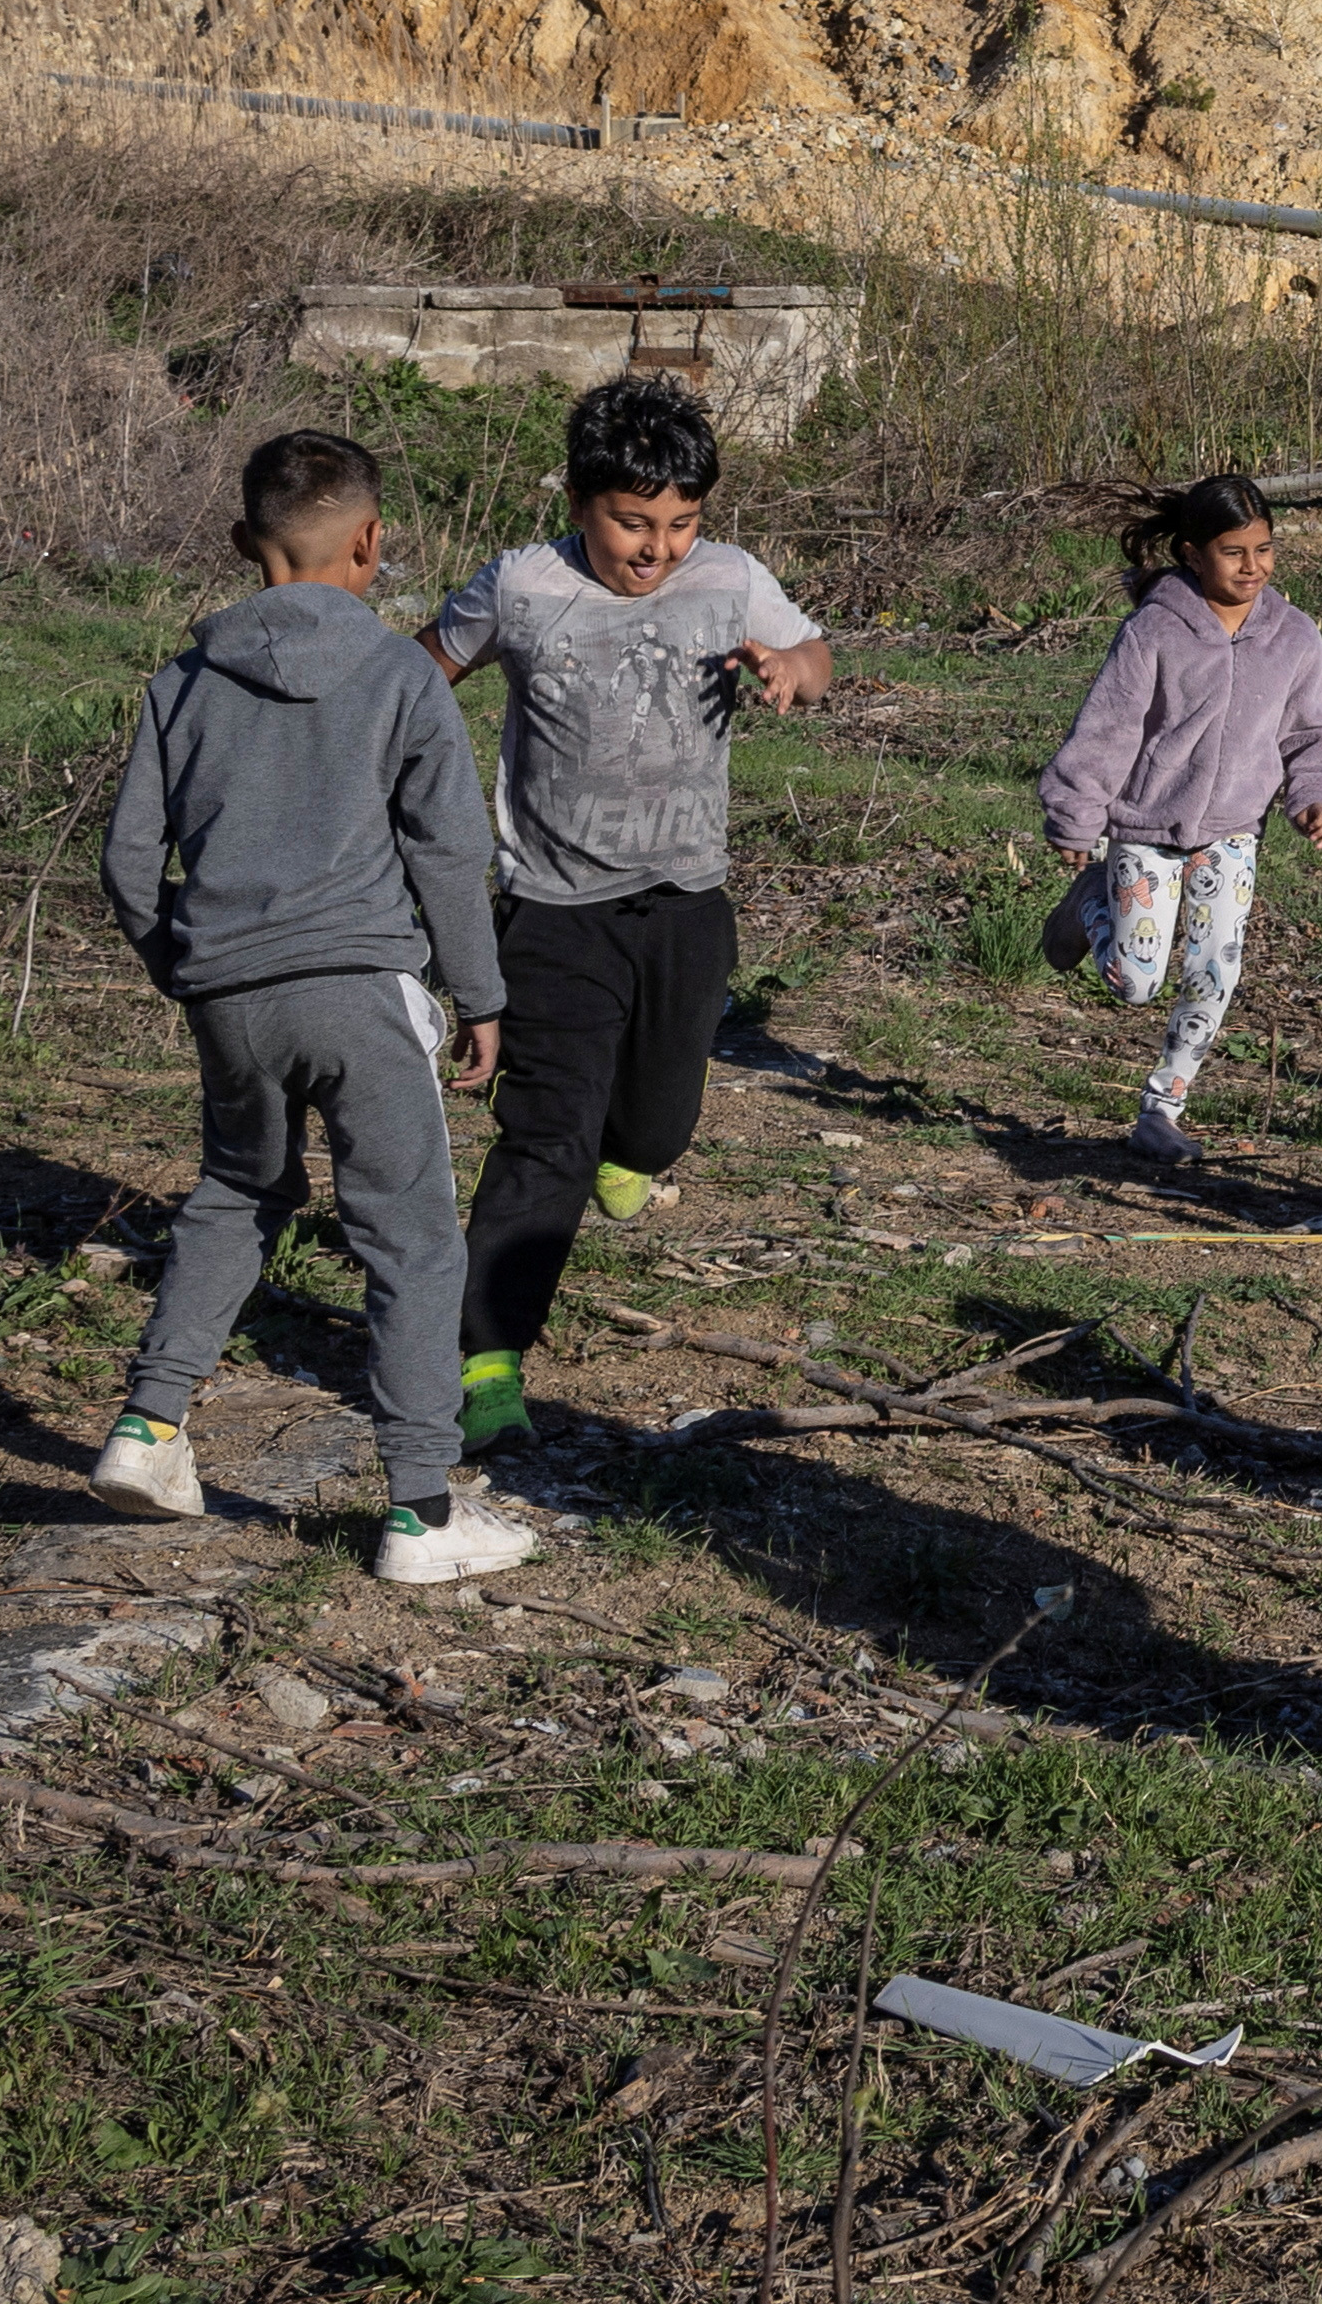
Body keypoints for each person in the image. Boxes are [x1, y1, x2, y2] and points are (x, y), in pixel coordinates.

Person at [89, 429, 537, 1586]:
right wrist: (479, 994)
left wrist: (182, 964)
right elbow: (447, 853)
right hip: (365, 995)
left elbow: (129, 859)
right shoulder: (400, 678)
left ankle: (148, 1428)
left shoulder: (178, 682)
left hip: (229, 995)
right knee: (410, 1239)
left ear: (247, 545)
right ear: (373, 542)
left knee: (237, 1189)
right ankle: (423, 1510)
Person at [420, 373, 829, 1456]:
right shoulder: (521, 585)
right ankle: (487, 1360)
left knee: (655, 1127)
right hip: (554, 910)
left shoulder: (730, 580)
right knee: (545, 1138)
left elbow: (818, 656)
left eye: (680, 524)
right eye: (631, 522)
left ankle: (634, 1149)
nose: (655, 549)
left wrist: (793, 667)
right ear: (580, 499)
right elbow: (418, 674)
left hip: (688, 904)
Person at [1039, 474, 1322, 1164]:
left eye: (1265, 549)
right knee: (1136, 979)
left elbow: (1319, 733)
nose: (1254, 566)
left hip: (1234, 830)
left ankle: (1163, 1106)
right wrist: (1075, 811)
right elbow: (1109, 728)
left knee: (1215, 970)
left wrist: (1316, 798)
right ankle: (1089, 901)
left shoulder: (1293, 637)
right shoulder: (1155, 629)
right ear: (1190, 552)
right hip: (1146, 826)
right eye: (1234, 551)